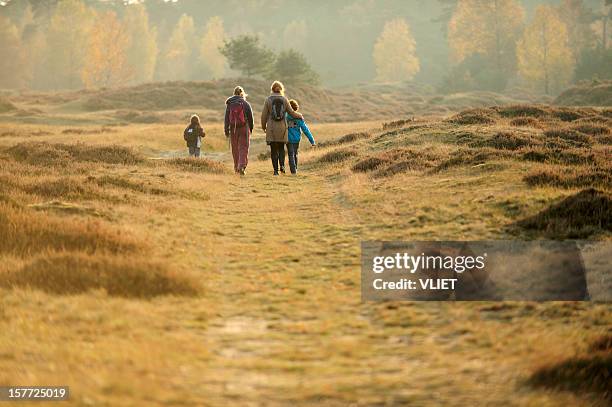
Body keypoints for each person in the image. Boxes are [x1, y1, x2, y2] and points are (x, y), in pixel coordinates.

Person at [261, 81, 303, 176]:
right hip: (282, 128)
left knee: (273, 149)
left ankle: (275, 171)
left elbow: (263, 116)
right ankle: (282, 167)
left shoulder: (268, 100)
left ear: (272, 89)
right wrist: (300, 115)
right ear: (281, 89)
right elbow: (292, 113)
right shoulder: (285, 99)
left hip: (271, 128)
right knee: (281, 148)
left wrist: (264, 127)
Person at [225, 86, 254, 175]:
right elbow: (250, 118)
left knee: (235, 149)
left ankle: (236, 168)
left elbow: (226, 118)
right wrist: (251, 128)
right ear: (242, 93)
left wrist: (226, 130)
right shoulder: (245, 103)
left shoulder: (230, 104)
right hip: (244, 128)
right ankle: (241, 166)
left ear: (234, 93)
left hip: (233, 129)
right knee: (243, 148)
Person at [286, 99, 316, 174]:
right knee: (295, 154)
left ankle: (293, 171)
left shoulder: (285, 117)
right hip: (296, 139)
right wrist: (312, 141)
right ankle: (295, 169)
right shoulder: (299, 118)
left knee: (290, 154)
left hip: (288, 139)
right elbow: (306, 130)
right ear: (296, 108)